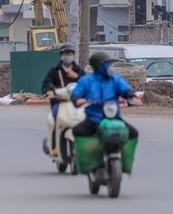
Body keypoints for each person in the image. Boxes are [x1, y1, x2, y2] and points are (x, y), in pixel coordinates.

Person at [71, 52, 141, 181]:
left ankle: (125, 162)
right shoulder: (87, 81)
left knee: (133, 133)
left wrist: (132, 96)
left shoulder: (115, 79)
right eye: (109, 64)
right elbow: (76, 94)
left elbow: (125, 89)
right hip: (94, 118)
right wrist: (78, 100)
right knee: (77, 131)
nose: (111, 67)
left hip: (114, 117)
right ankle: (88, 163)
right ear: (100, 66)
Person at [42, 43, 85, 155]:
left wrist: (76, 77)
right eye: (65, 53)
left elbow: (87, 84)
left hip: (77, 103)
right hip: (60, 103)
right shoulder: (54, 71)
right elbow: (47, 84)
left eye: (70, 53)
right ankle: (54, 146)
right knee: (57, 117)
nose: (68, 56)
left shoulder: (78, 70)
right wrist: (49, 91)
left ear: (73, 55)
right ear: (61, 55)